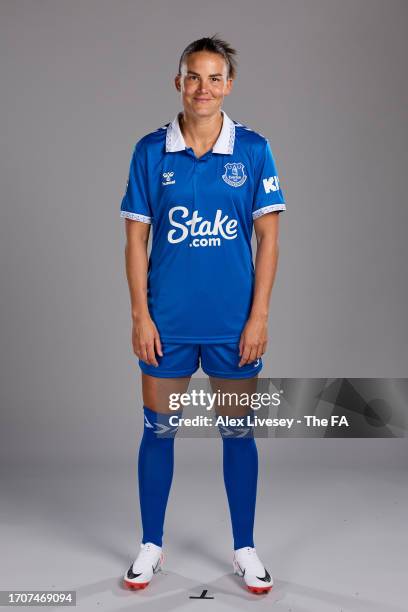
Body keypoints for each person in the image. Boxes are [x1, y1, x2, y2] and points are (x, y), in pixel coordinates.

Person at [120, 35, 286, 595]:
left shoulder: (254, 149)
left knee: (238, 433)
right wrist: (141, 315)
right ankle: (150, 546)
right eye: (194, 76)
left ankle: (244, 547)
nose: (203, 88)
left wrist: (258, 316)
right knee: (159, 432)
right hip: (166, 324)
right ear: (178, 82)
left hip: (232, 325)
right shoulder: (150, 151)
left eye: (215, 78)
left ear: (229, 85)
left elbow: (269, 240)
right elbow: (135, 242)